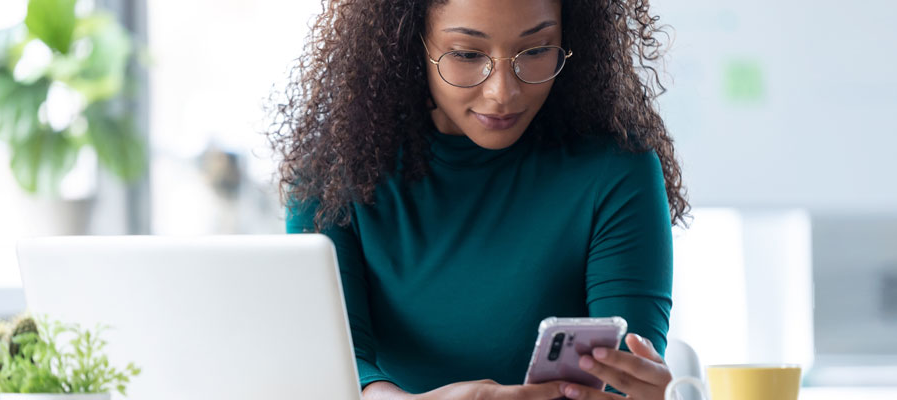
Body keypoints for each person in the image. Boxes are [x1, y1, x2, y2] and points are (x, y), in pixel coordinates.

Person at [269, 0, 689, 398]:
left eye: (537, 49)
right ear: (408, 43)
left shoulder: (616, 170)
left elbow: (626, 375)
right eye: (468, 55)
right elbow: (331, 375)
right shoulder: (331, 170)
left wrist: (652, 393)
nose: (503, 92)